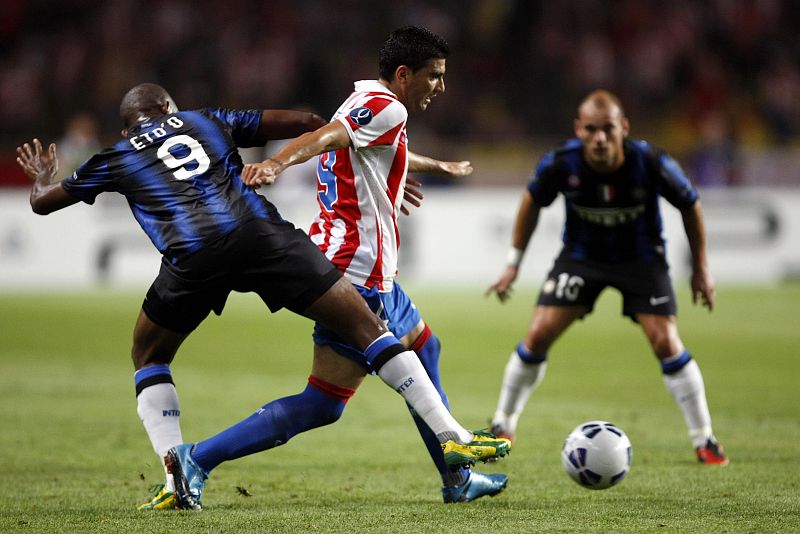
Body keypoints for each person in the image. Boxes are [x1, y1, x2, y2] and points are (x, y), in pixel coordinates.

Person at [17, 83, 509, 511]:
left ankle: (176, 476)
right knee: (364, 333)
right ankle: (453, 440)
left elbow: (43, 202)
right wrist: (373, 169)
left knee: (148, 353)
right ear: (171, 107)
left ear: (127, 128)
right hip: (258, 235)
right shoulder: (204, 119)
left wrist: (42, 175)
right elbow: (312, 124)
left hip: (192, 257)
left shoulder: (118, 155)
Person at [241, 26, 509, 503]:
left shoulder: (366, 100)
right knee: (321, 404)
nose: (441, 87)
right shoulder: (391, 106)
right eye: (435, 76)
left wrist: (427, 167)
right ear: (404, 75)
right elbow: (326, 138)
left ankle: (457, 480)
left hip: (358, 267)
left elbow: (372, 149)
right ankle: (196, 459)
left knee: (421, 352)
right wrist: (279, 163)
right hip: (357, 269)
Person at [485, 89, 729, 466]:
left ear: (624, 129)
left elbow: (690, 203)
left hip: (642, 260)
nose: (600, 138)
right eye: (591, 130)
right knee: (538, 333)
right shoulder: (560, 163)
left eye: (608, 130)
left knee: (665, 340)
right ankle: (503, 423)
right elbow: (531, 201)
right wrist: (513, 264)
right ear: (578, 130)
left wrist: (700, 268)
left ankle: (705, 439)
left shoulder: (650, 161)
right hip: (582, 259)